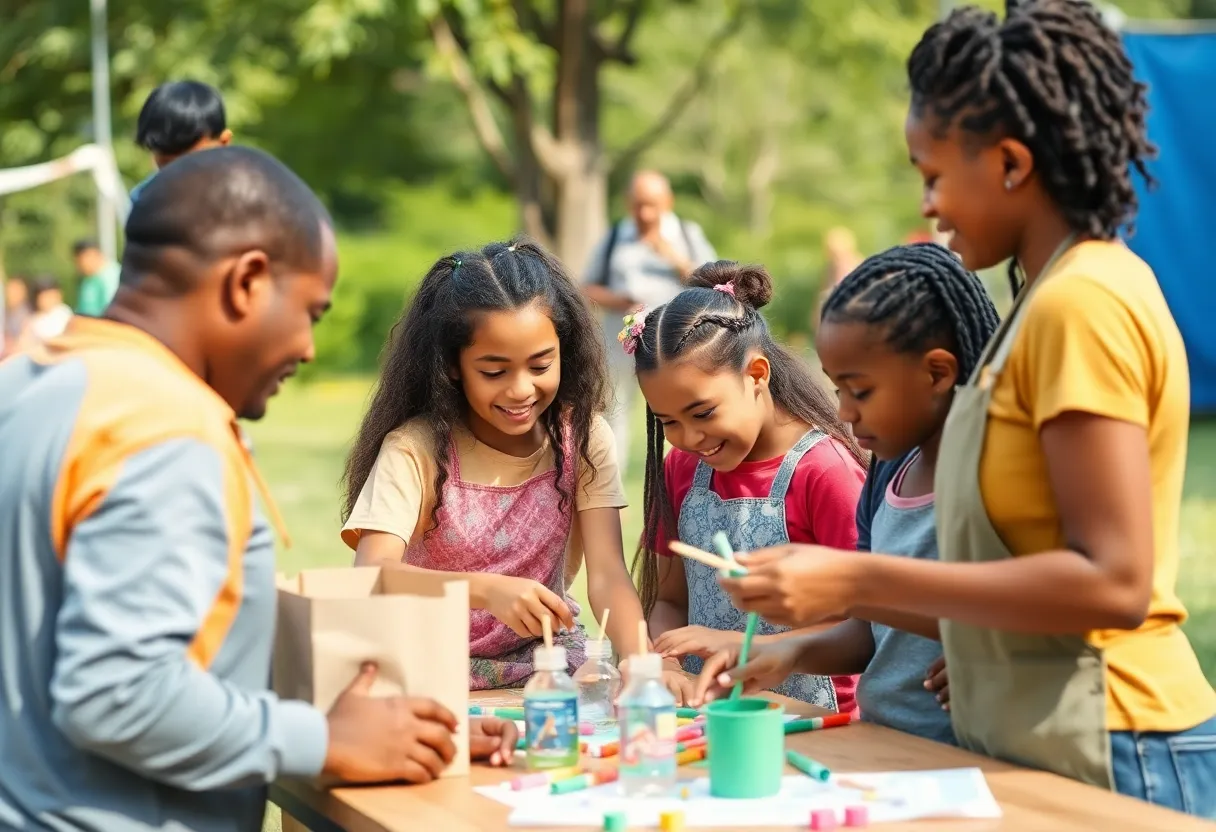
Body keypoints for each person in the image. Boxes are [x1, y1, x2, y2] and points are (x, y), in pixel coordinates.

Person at [707, 0, 1216, 817]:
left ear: (1012, 162)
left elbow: (1115, 581)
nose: (931, 205)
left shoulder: (1081, 302)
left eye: (934, 174)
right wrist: (827, 611)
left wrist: (854, 573)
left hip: (1117, 739)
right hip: (1048, 737)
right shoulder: (1042, 297)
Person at [0, 146, 516, 832]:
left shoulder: (29, 384)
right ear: (246, 282)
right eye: (309, 311)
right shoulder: (165, 429)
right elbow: (115, 693)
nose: (306, 348)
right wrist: (328, 742)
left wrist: (394, 727)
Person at [340, 240, 687, 697]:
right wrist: (485, 590)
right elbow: (371, 573)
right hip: (425, 664)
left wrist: (644, 666)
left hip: (543, 661)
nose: (521, 389)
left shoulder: (582, 438)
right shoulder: (415, 449)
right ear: (451, 366)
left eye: (540, 364)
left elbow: (605, 575)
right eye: (494, 371)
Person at [693, 244, 1002, 747]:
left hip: (973, 754)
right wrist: (786, 654)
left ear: (937, 373)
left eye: (861, 391)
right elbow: (870, 630)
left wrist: (981, 646)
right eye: (839, 390)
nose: (846, 412)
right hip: (887, 742)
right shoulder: (888, 471)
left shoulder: (995, 476)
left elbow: (1032, 603)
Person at [625, 261, 867, 713]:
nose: (689, 438)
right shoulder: (681, 468)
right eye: (667, 422)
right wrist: (668, 667)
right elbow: (670, 600)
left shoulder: (824, 472)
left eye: (702, 414)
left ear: (756, 375)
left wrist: (737, 643)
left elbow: (866, 624)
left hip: (815, 723)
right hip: (707, 716)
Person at [582, 171, 717, 476]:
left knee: (681, 408)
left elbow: (714, 281)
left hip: (676, 340)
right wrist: (619, 300)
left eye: (652, 205)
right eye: (639, 205)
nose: (645, 213)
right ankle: (611, 488)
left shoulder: (685, 233)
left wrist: (672, 256)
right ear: (629, 204)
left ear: (667, 202)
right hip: (622, 338)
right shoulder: (616, 235)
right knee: (615, 411)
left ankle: (684, 477)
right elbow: (586, 286)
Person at [129, 80, 233, 203]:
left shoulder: (247, 192)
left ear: (224, 142)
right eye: (166, 166)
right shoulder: (145, 201)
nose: (180, 177)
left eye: (191, 164)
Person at [72, 240, 121, 317]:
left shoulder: (112, 276)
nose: (78, 266)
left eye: (80, 261)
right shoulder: (87, 279)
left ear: (93, 255)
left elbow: (112, 311)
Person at [21, 276, 74, 347]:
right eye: (44, 296)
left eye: (51, 296)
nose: (48, 300)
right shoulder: (33, 319)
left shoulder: (64, 313)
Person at [2, 276, 31, 357]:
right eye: (10, 289)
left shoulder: (28, 315)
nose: (12, 293)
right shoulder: (4, 311)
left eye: (17, 290)